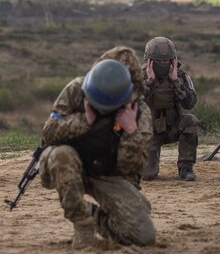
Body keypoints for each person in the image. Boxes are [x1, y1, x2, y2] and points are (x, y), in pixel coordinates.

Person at [39, 47, 155, 249]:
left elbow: (131, 168)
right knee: (62, 154)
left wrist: (131, 131)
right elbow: (49, 132)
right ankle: (82, 221)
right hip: (70, 166)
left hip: (109, 174)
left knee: (143, 236)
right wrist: (85, 120)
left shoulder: (138, 112)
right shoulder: (76, 90)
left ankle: (94, 216)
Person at [142, 37, 199, 181]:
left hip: (172, 128)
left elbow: (190, 103)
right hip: (149, 133)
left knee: (190, 121)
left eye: (166, 61)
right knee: (148, 175)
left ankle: (186, 168)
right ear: (149, 60)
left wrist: (175, 82)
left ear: (172, 60)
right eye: (159, 61)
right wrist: (149, 82)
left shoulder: (180, 75)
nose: (163, 64)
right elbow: (131, 102)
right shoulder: (139, 76)